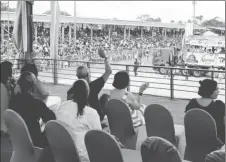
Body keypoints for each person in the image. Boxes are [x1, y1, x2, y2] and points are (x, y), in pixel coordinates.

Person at [56, 79, 101, 162]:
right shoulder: (91, 113)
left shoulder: (62, 106)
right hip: (83, 155)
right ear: (87, 93)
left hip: (63, 152)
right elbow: (99, 137)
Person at [9, 71, 56, 149]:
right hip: (34, 140)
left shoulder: (13, 101)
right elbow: (52, 118)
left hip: (17, 139)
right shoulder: (35, 103)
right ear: (33, 86)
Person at [67, 48, 112, 121]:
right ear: (88, 76)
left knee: (104, 96)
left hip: (79, 116)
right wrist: (105, 57)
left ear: (77, 76)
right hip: (95, 117)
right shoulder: (93, 86)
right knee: (106, 96)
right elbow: (108, 71)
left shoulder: (70, 91)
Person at [185, 79, 225, 143]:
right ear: (210, 90)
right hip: (217, 142)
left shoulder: (192, 104)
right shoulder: (219, 105)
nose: (218, 91)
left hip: (195, 140)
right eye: (216, 89)